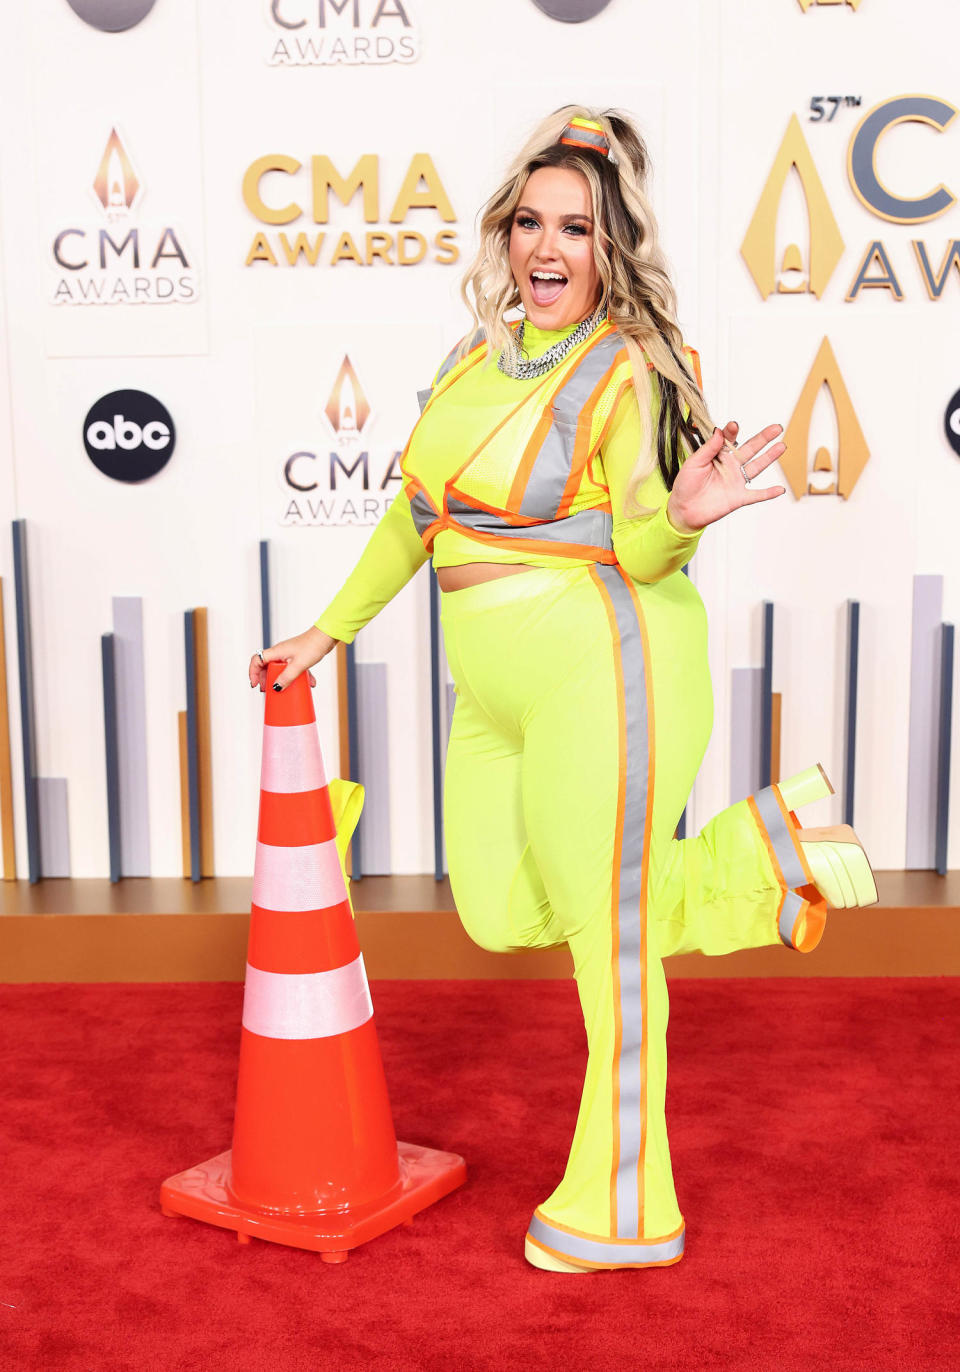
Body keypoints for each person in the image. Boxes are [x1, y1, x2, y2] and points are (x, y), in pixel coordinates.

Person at [249, 108, 878, 1273]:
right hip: (491, 691)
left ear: (610, 246)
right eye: (531, 221)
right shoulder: (471, 360)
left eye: (576, 228)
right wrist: (324, 633)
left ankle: (626, 1208)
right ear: (505, 232)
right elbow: (414, 518)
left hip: (609, 662)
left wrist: (681, 520)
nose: (549, 246)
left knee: (609, 940)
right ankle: (767, 858)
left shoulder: (628, 370)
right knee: (497, 907)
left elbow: (640, 539)